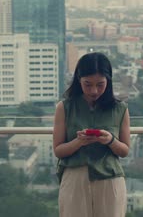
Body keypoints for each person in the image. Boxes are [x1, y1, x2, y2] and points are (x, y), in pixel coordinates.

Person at [53, 52, 130, 217]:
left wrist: (110, 140)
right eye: (88, 84)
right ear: (78, 80)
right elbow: (58, 151)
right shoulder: (65, 107)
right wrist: (79, 142)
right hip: (75, 177)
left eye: (100, 84)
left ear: (108, 82)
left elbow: (124, 151)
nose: (94, 90)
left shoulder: (120, 109)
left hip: (110, 178)